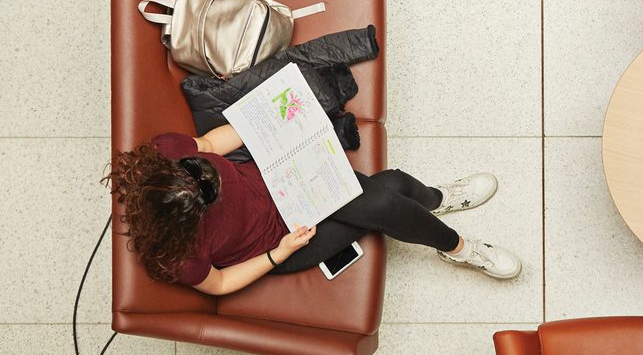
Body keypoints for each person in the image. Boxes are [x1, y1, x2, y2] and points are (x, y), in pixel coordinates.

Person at [105, 124, 522, 294]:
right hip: (283, 241)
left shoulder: (167, 153)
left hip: (284, 183)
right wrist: (279, 253)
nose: (212, 173)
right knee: (388, 188)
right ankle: (459, 247)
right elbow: (218, 283)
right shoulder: (179, 257)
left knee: (389, 187)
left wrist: (262, 123)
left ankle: (436, 201)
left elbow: (212, 146)